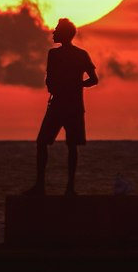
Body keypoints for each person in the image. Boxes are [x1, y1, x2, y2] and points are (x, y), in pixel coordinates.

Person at [25, 17, 98, 196]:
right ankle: (52, 186)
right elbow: (50, 79)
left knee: (62, 144)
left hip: (66, 105)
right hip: (63, 104)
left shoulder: (68, 55)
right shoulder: (62, 54)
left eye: (56, 29)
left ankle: (63, 187)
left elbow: (93, 79)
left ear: (64, 34)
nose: (53, 32)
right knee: (48, 143)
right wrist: (72, 85)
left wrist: (75, 85)